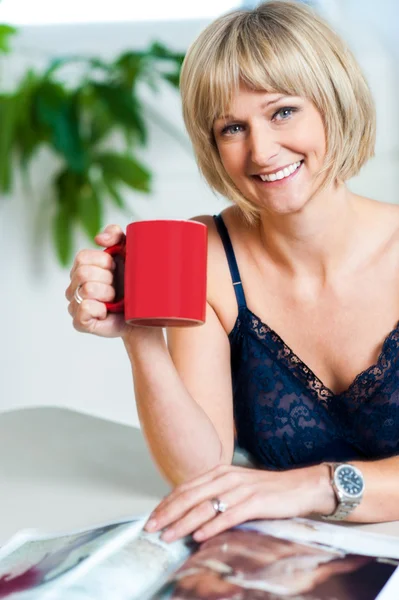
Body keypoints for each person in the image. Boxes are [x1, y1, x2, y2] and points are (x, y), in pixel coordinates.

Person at [66, 0, 399, 546]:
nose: (262, 151)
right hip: (293, 561)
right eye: (232, 127)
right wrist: (141, 336)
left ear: (335, 104)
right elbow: (201, 471)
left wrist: (314, 487)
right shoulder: (210, 258)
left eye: (283, 111)